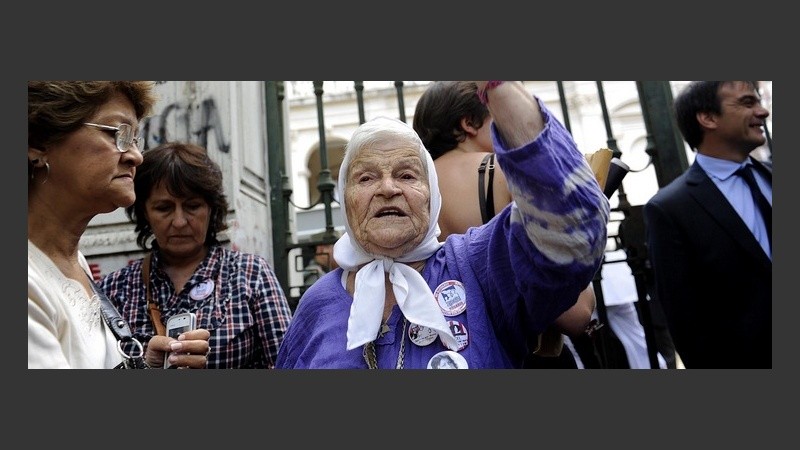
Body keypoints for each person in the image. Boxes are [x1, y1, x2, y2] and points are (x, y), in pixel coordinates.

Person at [275, 80, 609, 369]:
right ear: (345, 200)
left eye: (407, 175)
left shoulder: (478, 265)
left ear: (432, 197)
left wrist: (496, 85)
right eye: (365, 178)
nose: (388, 188)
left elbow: (570, 220)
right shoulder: (317, 303)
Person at [412, 80, 597, 369]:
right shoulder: (505, 173)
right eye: (495, 117)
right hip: (527, 353)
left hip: (449, 354)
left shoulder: (409, 191)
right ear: (469, 123)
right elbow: (578, 314)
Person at [28, 81, 210, 369]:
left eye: (134, 139)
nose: (135, 156)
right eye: (117, 134)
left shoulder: (74, 261)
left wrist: (148, 366)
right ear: (38, 141)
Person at [99, 141, 293, 369]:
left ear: (211, 209)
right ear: (145, 212)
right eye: (164, 208)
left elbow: (288, 362)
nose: (179, 222)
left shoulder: (252, 275)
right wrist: (145, 365)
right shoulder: (115, 289)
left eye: (192, 206)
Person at [643, 81, 771, 368]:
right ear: (708, 118)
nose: (762, 112)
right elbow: (687, 325)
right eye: (747, 103)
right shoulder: (670, 209)